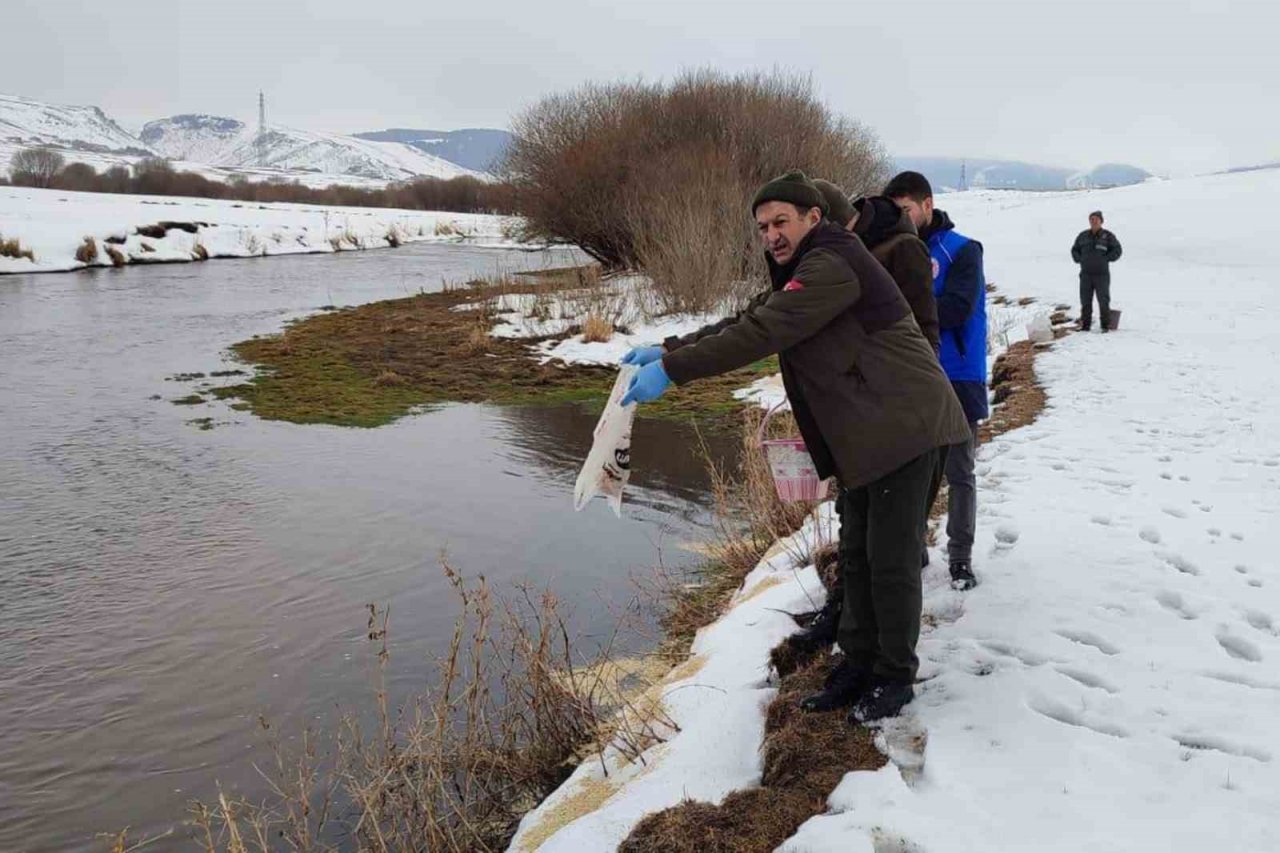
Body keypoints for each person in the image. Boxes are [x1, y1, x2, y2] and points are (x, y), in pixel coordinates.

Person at [620, 170, 970, 721]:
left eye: (781, 221)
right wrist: (667, 347)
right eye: (762, 227)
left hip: (907, 426)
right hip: (868, 433)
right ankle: (856, 664)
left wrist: (673, 371)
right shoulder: (806, 268)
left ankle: (893, 677)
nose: (771, 235)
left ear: (814, 218)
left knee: (891, 561)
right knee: (856, 556)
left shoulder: (834, 262)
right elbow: (748, 317)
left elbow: (763, 333)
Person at [884, 171, 987, 591]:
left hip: (959, 374)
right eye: (896, 213)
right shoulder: (891, 250)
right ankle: (915, 549)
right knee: (914, 472)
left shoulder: (962, 250)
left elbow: (958, 308)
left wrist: (901, 307)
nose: (902, 219)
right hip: (910, 375)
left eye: (907, 210)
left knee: (959, 471)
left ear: (927, 205)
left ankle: (960, 558)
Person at [814, 180, 939, 353]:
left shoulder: (905, 248)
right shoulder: (843, 250)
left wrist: (925, 371)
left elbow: (923, 320)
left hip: (899, 367)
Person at [1071, 211, 1123, 332]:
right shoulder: (1083, 236)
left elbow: (1117, 250)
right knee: (1085, 301)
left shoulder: (1108, 236)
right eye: (1091, 219)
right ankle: (1085, 326)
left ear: (1101, 221)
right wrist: (1079, 259)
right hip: (1086, 274)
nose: (1093, 221)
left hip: (1102, 275)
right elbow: (1074, 250)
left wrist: (1107, 258)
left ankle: (1105, 326)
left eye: (1096, 219)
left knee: (1103, 300)